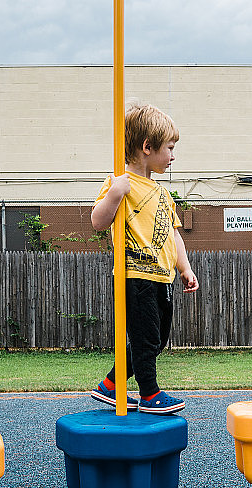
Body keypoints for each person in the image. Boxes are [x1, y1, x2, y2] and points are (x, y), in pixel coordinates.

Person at [89, 103, 198, 414]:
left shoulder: (163, 193)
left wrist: (186, 268)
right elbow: (98, 221)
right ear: (147, 147)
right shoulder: (120, 183)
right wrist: (114, 194)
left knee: (156, 339)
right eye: (170, 148)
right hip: (135, 276)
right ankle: (149, 393)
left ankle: (111, 385)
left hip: (163, 277)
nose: (173, 156)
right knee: (146, 339)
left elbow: (173, 234)